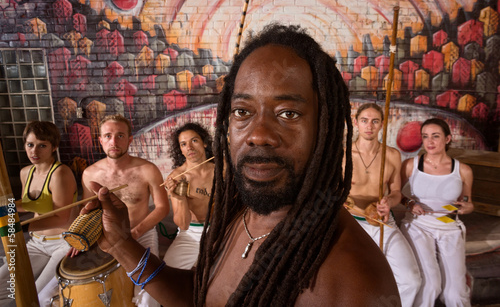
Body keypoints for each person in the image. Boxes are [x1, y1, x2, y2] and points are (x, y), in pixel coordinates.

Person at [83, 24, 401, 306]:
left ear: (325, 128)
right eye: (243, 112)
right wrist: (121, 244)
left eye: (288, 113)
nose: (258, 135)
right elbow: (200, 295)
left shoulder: (355, 282)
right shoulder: (239, 213)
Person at [78, 114, 169, 307]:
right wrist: (80, 236)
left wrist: (135, 232)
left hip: (141, 234)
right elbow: (88, 212)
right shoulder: (90, 174)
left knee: (147, 298)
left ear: (129, 139)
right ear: (100, 140)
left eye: (120, 135)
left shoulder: (147, 169)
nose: (114, 141)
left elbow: (162, 208)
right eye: (108, 136)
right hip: (106, 237)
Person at [346, 103, 421, 307]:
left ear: (382, 125)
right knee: (357, 281)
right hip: (351, 224)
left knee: (411, 281)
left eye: (375, 121)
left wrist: (389, 201)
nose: (369, 126)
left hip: (381, 222)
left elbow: (396, 192)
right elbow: (330, 191)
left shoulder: (392, 155)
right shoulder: (342, 155)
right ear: (356, 123)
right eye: (364, 121)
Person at [0, 121, 78, 306]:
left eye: (42, 145)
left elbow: (61, 217)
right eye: (30, 144)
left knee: (34, 296)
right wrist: (6, 207)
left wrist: (22, 226)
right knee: (4, 289)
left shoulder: (61, 173)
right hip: (36, 243)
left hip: (63, 242)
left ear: (54, 147)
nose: (34, 151)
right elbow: (31, 204)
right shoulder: (25, 172)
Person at [400, 118, 474, 307]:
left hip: (449, 226)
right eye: (425, 137)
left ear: (448, 139)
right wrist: (409, 204)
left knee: (455, 294)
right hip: (418, 225)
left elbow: (466, 201)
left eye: (435, 136)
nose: (430, 142)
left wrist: (466, 206)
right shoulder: (410, 165)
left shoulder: (463, 170)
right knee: (430, 284)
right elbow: (396, 195)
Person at [163, 123, 214, 270]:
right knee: (169, 276)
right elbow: (183, 225)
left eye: (194, 141)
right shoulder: (176, 177)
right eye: (183, 144)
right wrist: (179, 197)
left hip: (221, 230)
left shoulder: (222, 170)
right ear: (181, 150)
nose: (189, 147)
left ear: (204, 143)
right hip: (191, 234)